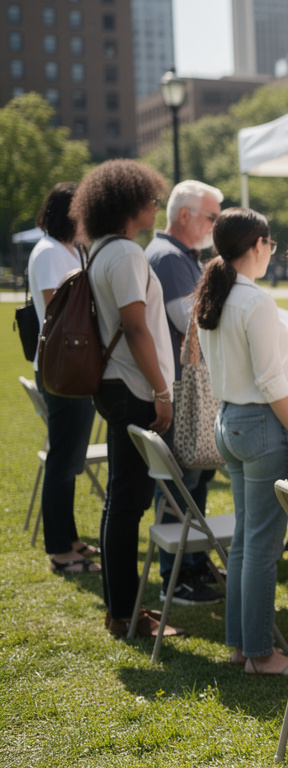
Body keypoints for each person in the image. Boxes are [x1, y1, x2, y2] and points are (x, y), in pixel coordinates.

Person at [194, 208, 288, 675]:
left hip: (229, 422)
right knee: (261, 547)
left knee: (246, 542)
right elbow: (269, 381)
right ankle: (261, 654)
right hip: (260, 424)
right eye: (271, 245)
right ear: (258, 244)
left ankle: (243, 646)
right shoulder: (253, 300)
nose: (271, 253)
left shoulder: (216, 294)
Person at [76, 159, 182, 638]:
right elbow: (136, 327)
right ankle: (126, 614)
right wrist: (162, 391)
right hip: (134, 389)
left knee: (121, 501)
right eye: (150, 197)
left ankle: (121, 608)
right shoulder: (125, 254)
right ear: (128, 203)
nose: (156, 204)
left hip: (118, 386)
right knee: (127, 503)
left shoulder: (103, 250)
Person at [147, 179, 226, 607]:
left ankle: (189, 567)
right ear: (185, 216)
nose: (216, 226)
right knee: (181, 485)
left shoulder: (179, 256)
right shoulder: (169, 257)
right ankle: (176, 576)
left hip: (187, 389)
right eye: (212, 217)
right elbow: (189, 316)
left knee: (191, 482)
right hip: (182, 390)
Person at [27, 182, 101, 573]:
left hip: (69, 368)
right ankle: (60, 551)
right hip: (63, 369)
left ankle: (69, 538)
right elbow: (64, 306)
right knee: (62, 460)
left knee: (70, 459)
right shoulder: (51, 253)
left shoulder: (65, 249)